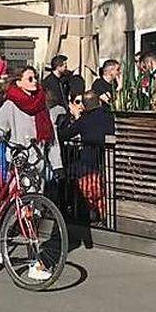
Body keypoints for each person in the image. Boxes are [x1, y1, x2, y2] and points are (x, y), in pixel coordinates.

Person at [0, 66, 63, 281]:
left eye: (35, 77)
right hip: (20, 164)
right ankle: (34, 264)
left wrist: (57, 165)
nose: (34, 81)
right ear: (19, 82)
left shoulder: (41, 105)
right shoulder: (11, 105)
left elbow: (52, 138)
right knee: (26, 214)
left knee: (33, 214)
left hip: (38, 165)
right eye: (30, 78)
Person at [60, 91, 115, 220]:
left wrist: (76, 117)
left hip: (88, 163)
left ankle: (67, 210)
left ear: (84, 106)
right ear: (99, 102)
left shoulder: (85, 120)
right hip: (105, 162)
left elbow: (64, 135)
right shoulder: (109, 116)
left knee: (64, 175)